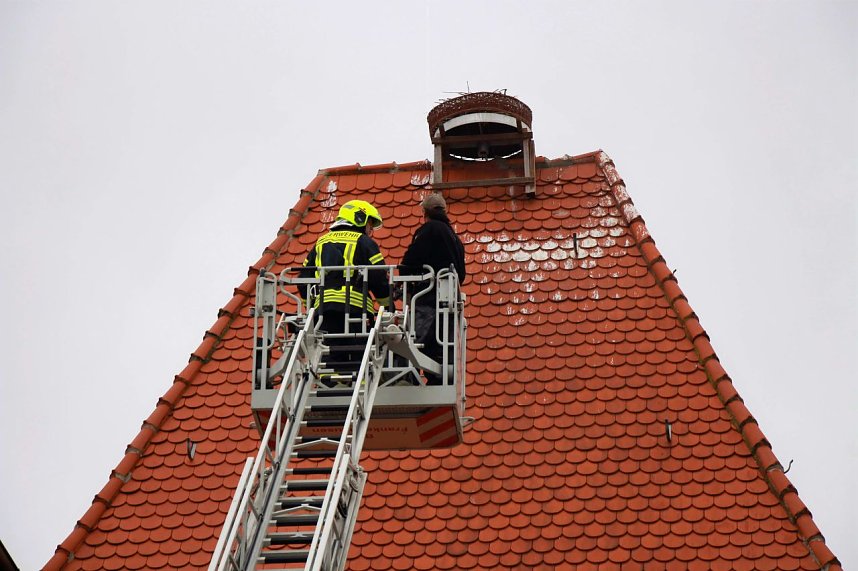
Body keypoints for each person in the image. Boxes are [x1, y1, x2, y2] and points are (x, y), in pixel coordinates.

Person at [299, 199, 391, 383]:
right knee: (356, 355)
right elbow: (378, 277)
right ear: (359, 218)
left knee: (329, 354)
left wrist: (310, 306)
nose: (370, 230)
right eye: (369, 224)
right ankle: (359, 384)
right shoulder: (364, 242)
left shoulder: (321, 242)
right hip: (355, 310)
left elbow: (303, 281)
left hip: (324, 311)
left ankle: (329, 386)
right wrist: (387, 306)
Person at [400, 193, 466, 385]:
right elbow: (461, 274)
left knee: (414, 341)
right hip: (449, 303)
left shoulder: (429, 229)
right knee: (441, 347)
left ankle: (406, 377)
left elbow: (412, 260)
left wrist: (401, 277)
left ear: (424, 212)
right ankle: (437, 379)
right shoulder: (455, 239)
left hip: (429, 299)